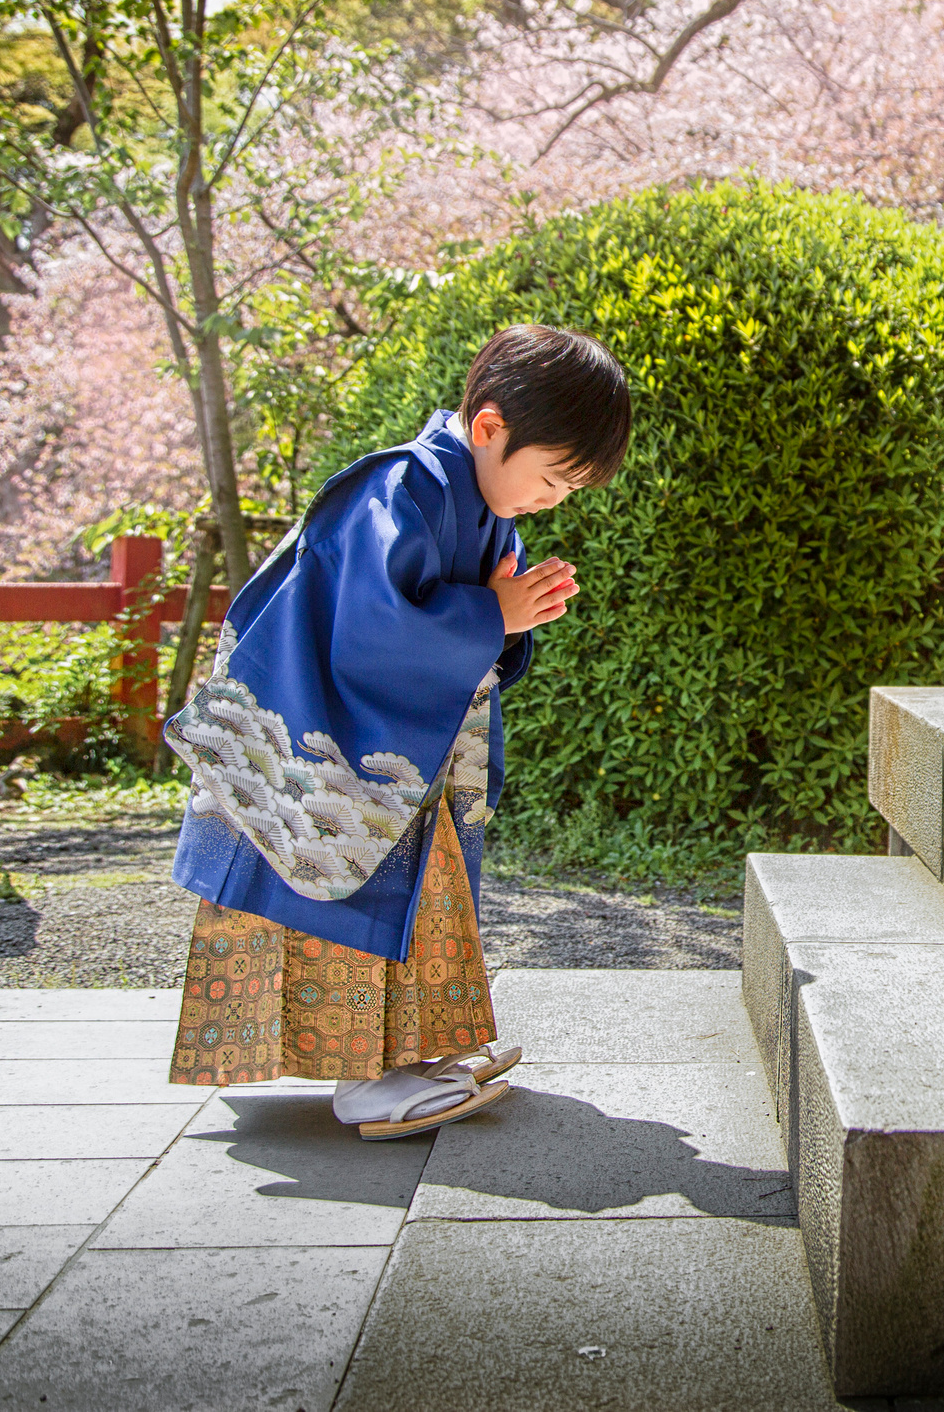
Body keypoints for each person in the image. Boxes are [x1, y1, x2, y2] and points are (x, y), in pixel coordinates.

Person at [159, 325, 631, 1139]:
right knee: (352, 875)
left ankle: (417, 1052)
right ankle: (366, 1078)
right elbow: (373, 627)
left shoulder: (478, 502)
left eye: (567, 491)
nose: (553, 500)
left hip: (402, 744)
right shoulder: (399, 487)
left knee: (421, 884)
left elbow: (465, 630)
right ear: (489, 428)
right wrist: (491, 614)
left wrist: (510, 621)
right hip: (330, 739)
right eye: (551, 480)